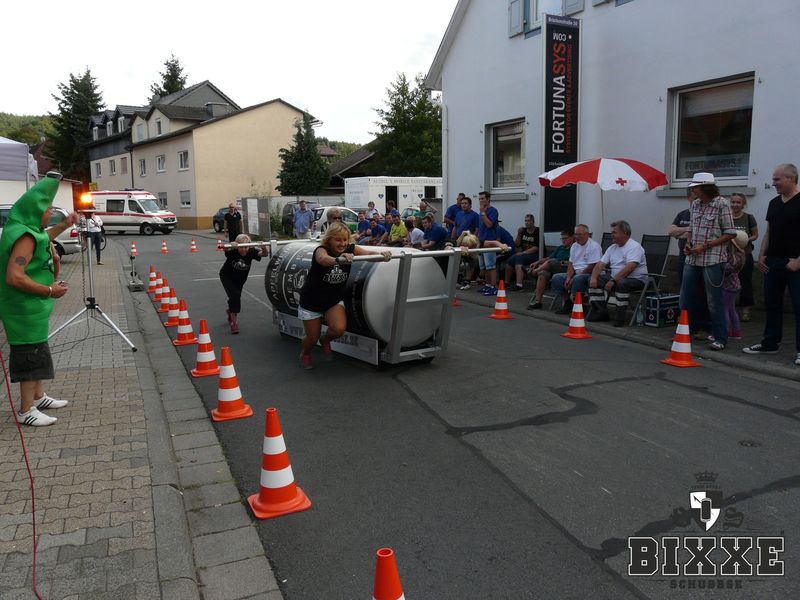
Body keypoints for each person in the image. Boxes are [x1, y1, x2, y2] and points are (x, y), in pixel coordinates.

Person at [0, 175, 77, 427]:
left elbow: (44, 236)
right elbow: (14, 276)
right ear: (35, 211)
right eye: (48, 209)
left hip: (32, 309)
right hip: (23, 310)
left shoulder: (30, 230)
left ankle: (39, 396)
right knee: (30, 355)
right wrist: (49, 290)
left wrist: (64, 224)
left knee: (38, 351)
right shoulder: (24, 236)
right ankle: (26, 410)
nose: (50, 213)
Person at [298, 222, 391, 369]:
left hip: (333, 301)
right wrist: (338, 260)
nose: (342, 244)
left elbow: (368, 254)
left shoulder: (350, 248)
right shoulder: (321, 250)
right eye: (338, 240)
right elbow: (323, 259)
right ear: (329, 239)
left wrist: (381, 255)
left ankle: (325, 340)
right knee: (312, 339)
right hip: (312, 301)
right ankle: (305, 353)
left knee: (339, 329)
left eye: (345, 240)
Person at [743, 163, 800, 365]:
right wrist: (761, 255)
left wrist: (798, 261)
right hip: (773, 262)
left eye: (777, 179)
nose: (773, 183)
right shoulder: (774, 203)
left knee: (798, 306)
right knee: (772, 304)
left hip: (795, 263)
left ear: (791, 178)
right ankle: (770, 343)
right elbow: (769, 231)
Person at [680, 172, 736, 350]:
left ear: (705, 187)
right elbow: (691, 229)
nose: (693, 190)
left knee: (714, 301)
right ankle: (684, 333)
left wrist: (705, 246)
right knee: (685, 298)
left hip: (713, 259)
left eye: (696, 187)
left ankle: (720, 338)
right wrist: (688, 243)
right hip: (692, 258)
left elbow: (730, 233)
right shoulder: (695, 204)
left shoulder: (722, 204)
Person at [587, 221, 648, 327]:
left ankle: (619, 319)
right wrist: (593, 277)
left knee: (622, 283)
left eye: (614, 232)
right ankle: (601, 312)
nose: (612, 234)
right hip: (615, 278)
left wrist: (613, 280)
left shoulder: (634, 247)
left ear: (624, 233)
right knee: (593, 280)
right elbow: (600, 264)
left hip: (636, 280)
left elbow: (630, 267)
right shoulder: (612, 248)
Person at [219, 234, 268, 334]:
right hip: (227, 277)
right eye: (241, 247)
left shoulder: (251, 251)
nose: (244, 250)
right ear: (238, 246)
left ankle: (230, 310)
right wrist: (231, 245)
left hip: (240, 280)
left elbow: (264, 254)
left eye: (246, 247)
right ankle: (234, 323)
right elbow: (225, 249)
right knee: (235, 296)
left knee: (235, 298)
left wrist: (263, 247)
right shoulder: (233, 250)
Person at [552, 224, 603, 315]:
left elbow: (592, 266)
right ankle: (568, 302)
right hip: (576, 273)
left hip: (590, 274)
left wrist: (573, 278)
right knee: (557, 278)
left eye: (580, 234)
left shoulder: (594, 246)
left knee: (577, 279)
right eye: (576, 234)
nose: (577, 237)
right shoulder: (574, 246)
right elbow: (571, 264)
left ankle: (579, 307)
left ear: (587, 234)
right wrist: (568, 277)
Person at [729, 192, 758, 322]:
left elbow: (755, 235)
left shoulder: (749, 218)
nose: (735, 205)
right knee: (727, 283)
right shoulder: (726, 217)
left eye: (738, 202)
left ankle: (745, 310)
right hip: (728, 256)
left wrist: (744, 239)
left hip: (745, 255)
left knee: (745, 282)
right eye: (733, 202)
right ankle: (729, 308)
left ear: (743, 204)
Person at [526, 229, 574, 309]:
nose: (563, 240)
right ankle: (538, 302)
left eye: (565, 238)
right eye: (562, 238)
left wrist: (563, 262)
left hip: (566, 269)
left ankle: (533, 272)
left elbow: (573, 262)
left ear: (572, 237)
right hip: (554, 269)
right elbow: (548, 258)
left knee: (551, 262)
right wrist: (537, 262)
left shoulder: (574, 248)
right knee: (543, 273)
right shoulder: (560, 248)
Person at [721, 231, 747, 341]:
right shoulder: (740, 255)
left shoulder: (734, 257)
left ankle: (723, 332)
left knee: (724, 309)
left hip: (728, 287)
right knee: (731, 309)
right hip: (734, 286)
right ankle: (736, 332)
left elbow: (726, 269)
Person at [505, 214, 540, 291]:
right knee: (510, 260)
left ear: (533, 222)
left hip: (536, 255)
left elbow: (536, 247)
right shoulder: (523, 231)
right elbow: (517, 245)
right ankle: (507, 282)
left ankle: (519, 285)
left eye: (529, 221)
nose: (527, 223)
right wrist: (519, 234)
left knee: (519, 259)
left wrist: (523, 253)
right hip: (524, 254)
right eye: (525, 221)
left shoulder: (537, 231)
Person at [476, 191, 501, 296]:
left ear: (488, 199)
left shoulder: (493, 211)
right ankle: (488, 285)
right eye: (479, 199)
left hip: (490, 241)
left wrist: (483, 213)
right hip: (481, 241)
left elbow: (489, 224)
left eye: (483, 198)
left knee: (491, 265)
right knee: (484, 266)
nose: (481, 200)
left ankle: (494, 287)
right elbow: (480, 227)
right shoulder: (481, 212)